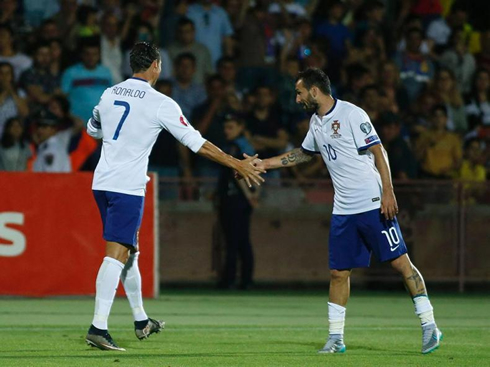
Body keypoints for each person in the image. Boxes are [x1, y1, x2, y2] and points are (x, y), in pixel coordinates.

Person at [84, 42, 264, 351]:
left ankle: (141, 320)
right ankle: (98, 327)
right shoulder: (160, 103)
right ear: (156, 65)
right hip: (127, 186)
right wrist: (237, 163)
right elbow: (199, 144)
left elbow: (93, 130)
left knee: (130, 251)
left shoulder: (109, 93)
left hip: (102, 182)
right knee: (116, 253)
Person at [249, 68, 442, 354]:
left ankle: (429, 326)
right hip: (344, 210)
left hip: (373, 204)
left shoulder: (353, 114)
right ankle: (336, 338)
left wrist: (388, 192)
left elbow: (379, 152)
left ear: (315, 91)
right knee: (339, 273)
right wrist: (265, 164)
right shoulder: (316, 122)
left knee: (401, 264)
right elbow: (303, 153)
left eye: (300, 92)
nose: (297, 98)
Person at [217, 115, 259, 290]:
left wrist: (250, 196)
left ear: (240, 127)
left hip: (236, 200)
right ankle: (245, 279)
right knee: (241, 240)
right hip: (240, 200)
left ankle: (230, 280)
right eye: (226, 127)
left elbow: (239, 176)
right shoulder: (246, 145)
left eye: (231, 127)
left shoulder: (236, 147)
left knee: (234, 242)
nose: (227, 131)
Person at [61, 40, 112, 123]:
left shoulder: (106, 72)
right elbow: (63, 97)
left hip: (101, 121)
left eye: (94, 54)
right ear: (82, 55)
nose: (91, 57)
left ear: (99, 55)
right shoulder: (70, 72)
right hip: (78, 122)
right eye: (87, 54)